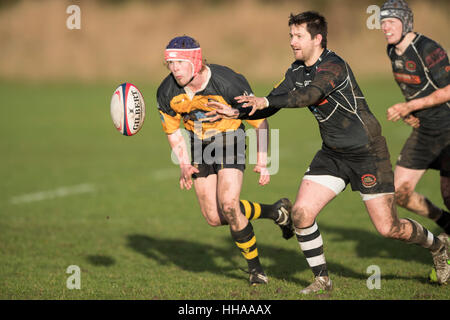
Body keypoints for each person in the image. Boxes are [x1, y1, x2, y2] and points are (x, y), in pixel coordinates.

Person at [206, 11, 449, 293]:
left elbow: (308, 96)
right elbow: (273, 103)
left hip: (367, 153)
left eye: (298, 36)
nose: (293, 42)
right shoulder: (296, 70)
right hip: (332, 155)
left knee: (388, 228)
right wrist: (236, 111)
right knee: (300, 213)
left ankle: (437, 245)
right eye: (291, 36)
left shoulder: (334, 66)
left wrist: (263, 100)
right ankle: (322, 279)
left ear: (317, 38)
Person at [156, 35, 294, 285]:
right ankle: (275, 211)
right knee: (214, 218)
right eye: (170, 63)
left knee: (230, 204)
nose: (174, 69)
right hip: (199, 145)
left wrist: (262, 160)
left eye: (179, 62)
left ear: (195, 61)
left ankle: (256, 270)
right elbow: (173, 130)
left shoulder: (227, 83)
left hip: (230, 139)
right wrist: (184, 163)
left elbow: (261, 121)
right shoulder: (167, 92)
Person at [379, 0, 450, 235]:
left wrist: (410, 106)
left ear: (406, 23)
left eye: (391, 22)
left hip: (447, 128)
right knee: (399, 192)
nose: (385, 27)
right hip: (424, 132)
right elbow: (410, 85)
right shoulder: (392, 50)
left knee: (449, 196)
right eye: (382, 22)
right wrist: (411, 112)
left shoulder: (428, 49)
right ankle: (445, 222)